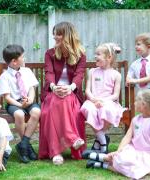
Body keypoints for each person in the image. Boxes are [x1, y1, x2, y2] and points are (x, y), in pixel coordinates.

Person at [39, 21, 86, 165]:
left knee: (63, 101)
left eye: (58, 34)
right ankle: (72, 140)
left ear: (67, 35)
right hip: (53, 91)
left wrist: (70, 88)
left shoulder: (80, 55)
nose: (55, 37)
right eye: (54, 34)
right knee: (53, 105)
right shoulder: (50, 53)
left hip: (71, 93)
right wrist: (53, 87)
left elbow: (79, 74)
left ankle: (56, 152)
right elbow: (49, 73)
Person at [82, 89, 150, 180]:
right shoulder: (136, 119)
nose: (135, 103)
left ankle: (101, 163)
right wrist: (118, 151)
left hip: (146, 153)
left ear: (143, 105)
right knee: (121, 159)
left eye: (137, 101)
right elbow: (127, 137)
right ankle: (103, 159)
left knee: (138, 168)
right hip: (132, 149)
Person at [80, 43, 126, 154]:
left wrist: (103, 101)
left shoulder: (116, 75)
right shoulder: (92, 72)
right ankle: (103, 142)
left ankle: (98, 142)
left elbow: (115, 95)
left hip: (108, 101)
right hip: (92, 100)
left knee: (107, 110)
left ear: (109, 57)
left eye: (98, 54)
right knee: (88, 109)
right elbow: (87, 90)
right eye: (95, 54)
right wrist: (94, 100)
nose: (95, 56)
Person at [0, 44, 40, 163]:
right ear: (14, 61)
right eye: (23, 57)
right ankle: (27, 148)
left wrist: (31, 100)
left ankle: (23, 145)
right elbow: (7, 97)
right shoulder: (5, 76)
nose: (24, 59)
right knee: (19, 115)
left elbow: (32, 88)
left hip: (28, 99)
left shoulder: (26, 71)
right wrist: (20, 105)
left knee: (37, 111)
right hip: (14, 103)